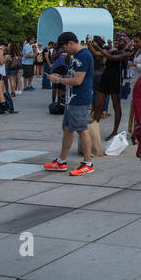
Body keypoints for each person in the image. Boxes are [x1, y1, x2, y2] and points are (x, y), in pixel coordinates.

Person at [43, 32, 96, 176]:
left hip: (79, 98)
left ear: (71, 43)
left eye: (64, 47)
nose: (64, 51)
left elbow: (78, 80)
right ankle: (61, 161)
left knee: (81, 129)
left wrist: (59, 80)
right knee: (67, 128)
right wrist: (60, 77)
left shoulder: (83, 55)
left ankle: (88, 163)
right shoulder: (77, 56)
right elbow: (73, 76)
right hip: (72, 98)